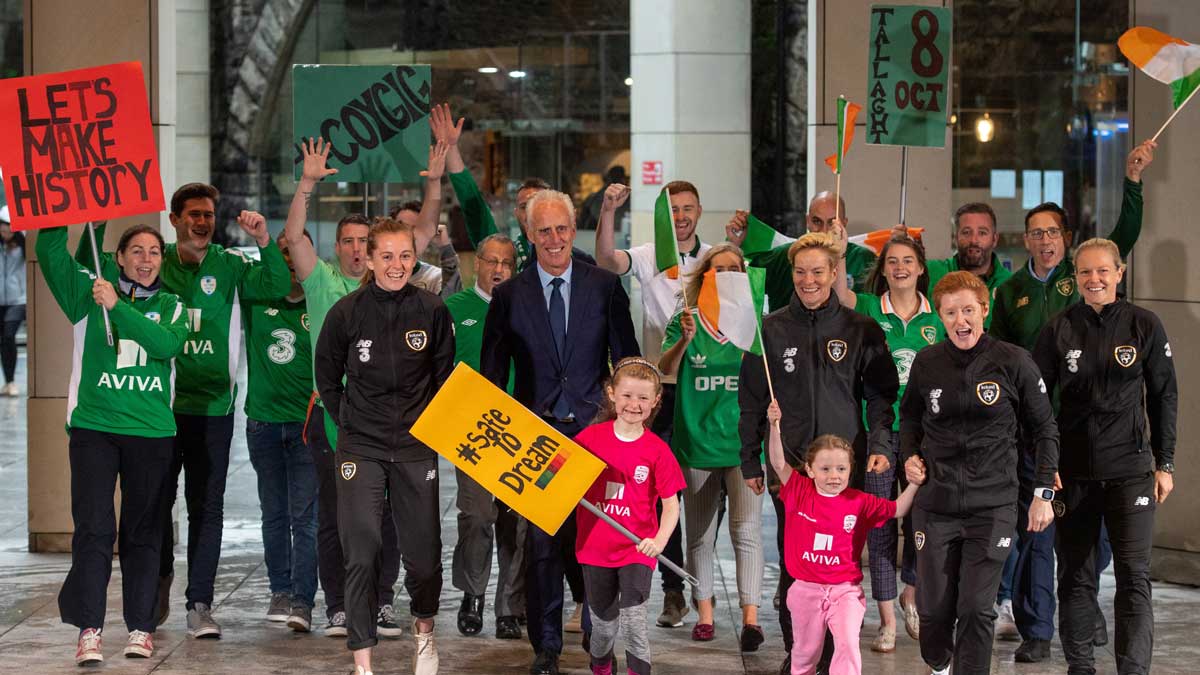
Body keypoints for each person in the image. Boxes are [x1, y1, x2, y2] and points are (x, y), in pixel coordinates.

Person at [83, 187, 293, 637]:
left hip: (213, 407)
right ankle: (155, 585)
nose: (203, 222)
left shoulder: (231, 263)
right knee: (155, 504)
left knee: (208, 508)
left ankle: (200, 602)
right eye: (194, 214)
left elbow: (276, 285)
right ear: (175, 219)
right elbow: (97, 272)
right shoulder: (155, 262)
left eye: (210, 215)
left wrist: (261, 241)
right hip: (160, 409)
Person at [986, 138, 1154, 662]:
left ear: (1067, 238)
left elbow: (1123, 236)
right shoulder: (1010, 291)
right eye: (1035, 234)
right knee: (1045, 541)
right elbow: (1001, 353)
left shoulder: (1082, 281)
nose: (1044, 241)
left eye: (1052, 232)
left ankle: (1084, 606)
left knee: (1103, 546)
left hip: (1104, 440)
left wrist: (1132, 183)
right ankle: (1042, 632)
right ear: (1027, 240)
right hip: (1045, 434)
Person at [286, 138, 444, 638]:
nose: (363, 252)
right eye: (354, 244)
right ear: (349, 251)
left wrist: (435, 183)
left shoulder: (424, 304)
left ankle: (392, 606)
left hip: (409, 438)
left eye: (403, 254)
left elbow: (442, 378)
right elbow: (294, 237)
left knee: (405, 533)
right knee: (347, 526)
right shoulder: (329, 290)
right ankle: (344, 615)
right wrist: (307, 183)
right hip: (345, 428)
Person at [481, 188, 640, 675]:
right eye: (543, 230)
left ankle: (599, 638)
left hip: (596, 434)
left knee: (598, 545)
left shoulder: (604, 286)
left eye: (562, 229)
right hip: (536, 440)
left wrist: (627, 424)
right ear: (528, 235)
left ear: (575, 231)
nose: (554, 239)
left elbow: (628, 359)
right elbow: (491, 379)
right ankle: (546, 646)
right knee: (544, 546)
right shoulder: (508, 296)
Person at [738, 232, 898, 675]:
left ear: (833, 273)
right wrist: (750, 458)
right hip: (790, 468)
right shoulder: (768, 329)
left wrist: (881, 444)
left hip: (844, 472)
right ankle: (800, 654)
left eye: (818, 271)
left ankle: (834, 657)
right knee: (797, 565)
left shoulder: (860, 328)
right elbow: (750, 398)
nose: (808, 280)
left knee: (840, 566)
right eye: (800, 271)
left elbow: (883, 394)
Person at [38, 222, 187, 664]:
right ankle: (90, 630)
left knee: (143, 534)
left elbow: (164, 344)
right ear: (117, 257)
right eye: (136, 251)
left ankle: (141, 628)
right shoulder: (89, 294)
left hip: (152, 434)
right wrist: (71, 209)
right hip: (94, 430)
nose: (145, 259)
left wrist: (117, 307)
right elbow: (50, 252)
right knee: (94, 531)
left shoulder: (175, 306)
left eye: (154, 252)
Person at [900, 271, 1059, 675]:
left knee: (975, 608)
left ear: (984, 311)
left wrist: (1043, 493)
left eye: (968, 310)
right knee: (933, 610)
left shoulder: (1014, 361)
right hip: (935, 505)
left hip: (993, 505)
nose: (960, 320)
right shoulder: (927, 362)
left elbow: (1045, 429)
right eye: (951, 312)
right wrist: (908, 456)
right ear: (940, 316)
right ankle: (939, 662)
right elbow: (909, 420)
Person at [315, 217, 454, 675]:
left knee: (425, 556)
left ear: (415, 259)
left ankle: (424, 633)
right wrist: (351, 425)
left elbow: (443, 380)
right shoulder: (347, 313)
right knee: (362, 548)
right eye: (387, 256)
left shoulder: (432, 310)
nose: (397, 265)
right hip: (362, 447)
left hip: (415, 448)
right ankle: (363, 662)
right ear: (370, 259)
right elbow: (327, 378)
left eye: (405, 256)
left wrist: (425, 429)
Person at [1032, 239, 1177, 675]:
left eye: (1102, 271)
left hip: (1131, 472)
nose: (1093, 280)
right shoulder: (1058, 328)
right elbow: (1036, 404)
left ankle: (1133, 670)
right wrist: (1046, 463)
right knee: (1075, 577)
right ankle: (1081, 668)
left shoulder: (1144, 325)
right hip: (1071, 476)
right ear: (1075, 278)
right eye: (1084, 273)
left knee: (1134, 578)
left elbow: (1164, 395)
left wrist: (1164, 462)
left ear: (1119, 273)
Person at [595, 179, 709, 628]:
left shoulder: (714, 258)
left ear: (699, 210)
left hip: (704, 388)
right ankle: (674, 592)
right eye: (673, 209)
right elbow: (607, 259)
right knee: (665, 491)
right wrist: (608, 211)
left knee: (699, 492)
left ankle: (700, 590)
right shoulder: (647, 255)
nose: (680, 216)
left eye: (687, 208)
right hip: (661, 385)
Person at [832, 232, 944, 650]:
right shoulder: (866, 308)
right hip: (877, 433)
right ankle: (886, 620)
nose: (899, 267)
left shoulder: (937, 319)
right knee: (880, 524)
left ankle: (909, 595)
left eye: (907, 261)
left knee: (920, 523)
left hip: (925, 436)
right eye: (892, 261)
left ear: (919, 268)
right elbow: (839, 293)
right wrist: (840, 252)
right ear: (883, 269)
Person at [658, 243, 764, 649]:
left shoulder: (756, 323)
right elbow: (664, 370)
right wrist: (683, 341)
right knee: (700, 535)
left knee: (746, 530)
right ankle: (704, 612)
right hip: (697, 444)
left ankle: (751, 618)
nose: (724, 276)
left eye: (734, 269)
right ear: (704, 276)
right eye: (717, 270)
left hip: (743, 446)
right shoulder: (687, 319)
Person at [766, 409, 922, 675]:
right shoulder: (798, 490)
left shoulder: (859, 501)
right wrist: (774, 426)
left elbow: (897, 509)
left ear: (851, 470)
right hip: (806, 591)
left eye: (841, 469)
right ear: (810, 470)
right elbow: (779, 464)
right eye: (825, 469)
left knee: (849, 646)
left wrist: (915, 484)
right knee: (805, 652)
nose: (834, 475)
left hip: (845, 591)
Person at [573, 357, 686, 675]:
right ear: (611, 393)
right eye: (626, 395)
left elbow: (671, 504)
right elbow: (560, 478)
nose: (634, 404)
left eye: (642, 398)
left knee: (635, 626)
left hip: (637, 550)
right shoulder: (590, 440)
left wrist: (659, 540)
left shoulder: (657, 451)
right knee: (604, 628)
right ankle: (601, 665)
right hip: (595, 548)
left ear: (655, 401)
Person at [445, 232, 527, 640]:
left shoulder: (525, 307)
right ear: (475, 263)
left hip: (519, 432)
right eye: (491, 261)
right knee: (477, 515)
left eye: (506, 263)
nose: (498, 270)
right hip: (472, 431)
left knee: (515, 523)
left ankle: (510, 606)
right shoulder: (454, 309)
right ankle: (471, 594)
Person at [241, 230, 318, 632]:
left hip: (306, 426)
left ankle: (304, 600)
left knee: (304, 517)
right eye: (283, 252)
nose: (290, 260)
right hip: (264, 424)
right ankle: (280, 590)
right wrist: (265, 244)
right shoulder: (257, 297)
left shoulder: (322, 301)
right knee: (273, 513)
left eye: (297, 252)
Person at [433, 103, 596, 272]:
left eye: (538, 205)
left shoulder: (581, 262)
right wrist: (451, 148)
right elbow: (473, 207)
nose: (531, 212)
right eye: (525, 206)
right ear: (516, 212)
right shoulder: (504, 255)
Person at [725, 192, 878, 313]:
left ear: (844, 223)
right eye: (817, 221)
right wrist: (734, 244)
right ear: (807, 221)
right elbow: (741, 279)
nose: (824, 230)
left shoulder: (863, 259)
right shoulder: (783, 256)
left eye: (832, 222)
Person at [922, 202, 1012, 329]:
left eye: (982, 233)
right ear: (955, 238)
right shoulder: (931, 272)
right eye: (966, 232)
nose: (974, 240)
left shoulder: (1011, 284)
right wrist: (899, 245)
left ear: (995, 239)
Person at [0, 206, 26, 396]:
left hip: (18, 300)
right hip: (1, 300)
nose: (5, 231)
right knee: (4, 340)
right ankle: (8, 381)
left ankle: (11, 382)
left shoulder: (23, 247)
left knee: (9, 335)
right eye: (2, 227)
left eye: (9, 227)